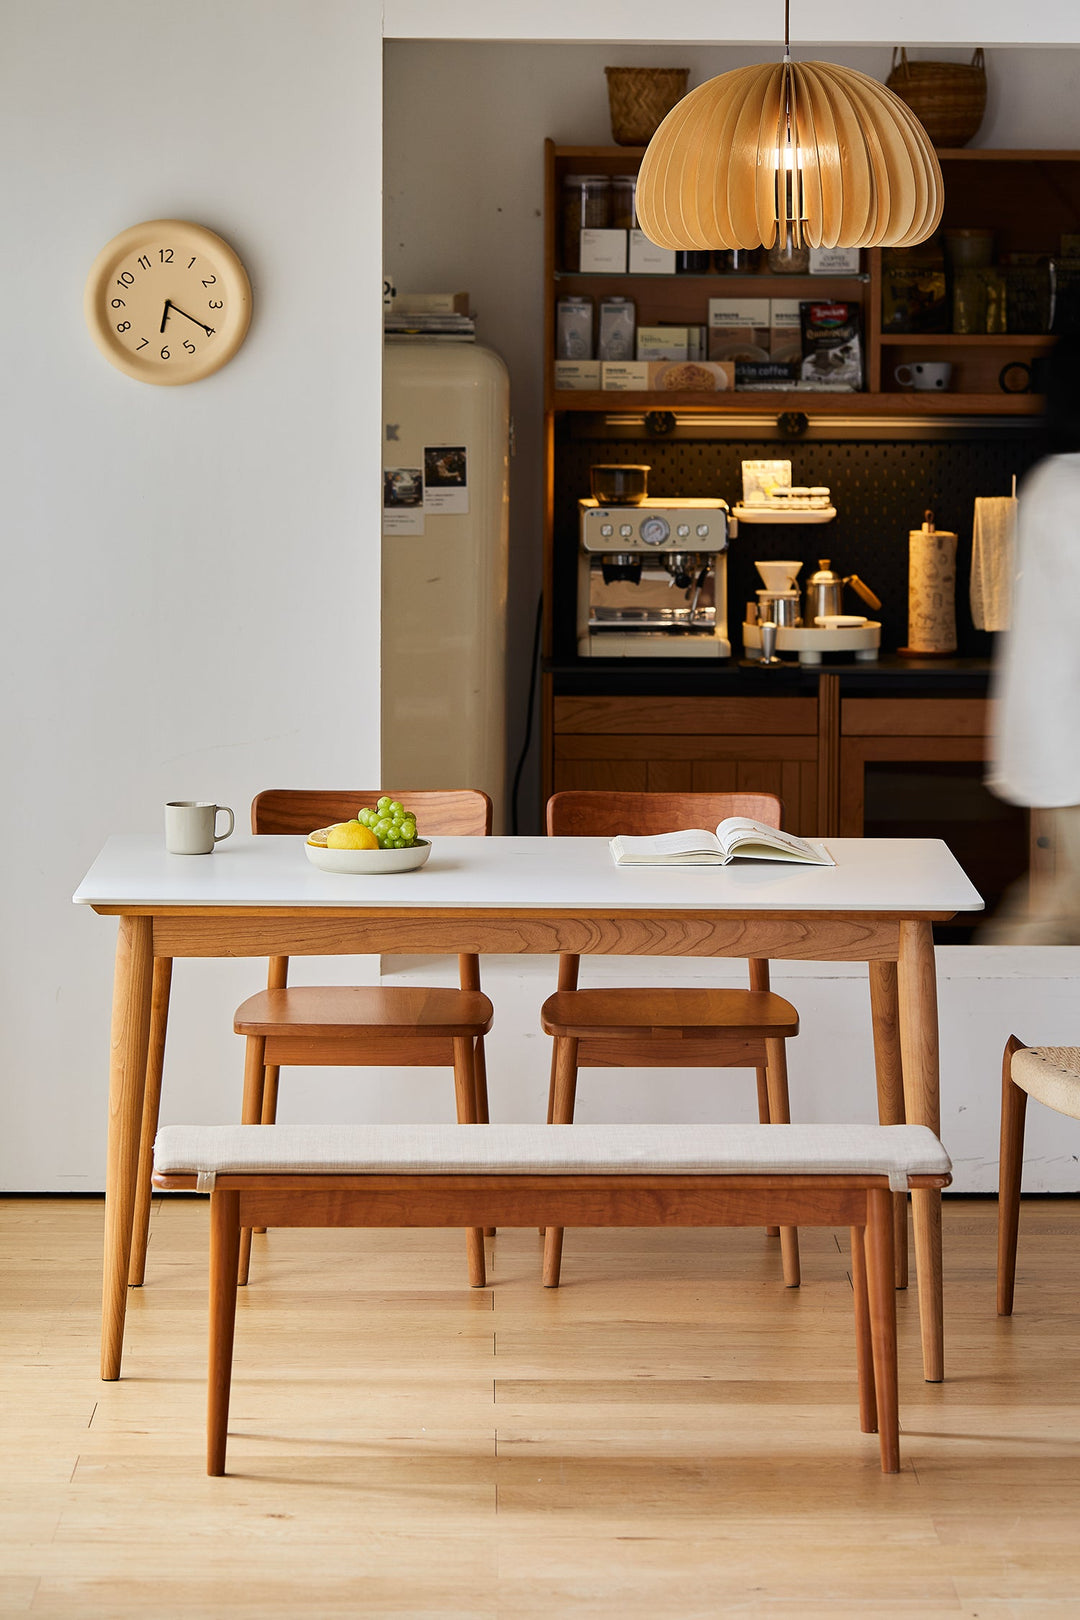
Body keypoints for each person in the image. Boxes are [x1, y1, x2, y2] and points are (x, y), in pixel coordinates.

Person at [985, 333, 1080, 943]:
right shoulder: (1070, 490)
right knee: (1055, 913)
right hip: (1068, 742)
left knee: (1058, 908)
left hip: (1061, 744)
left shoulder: (1055, 482)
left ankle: (974, 1017)